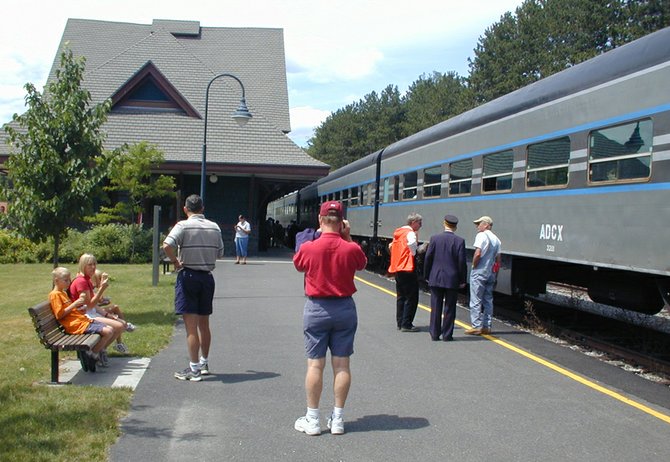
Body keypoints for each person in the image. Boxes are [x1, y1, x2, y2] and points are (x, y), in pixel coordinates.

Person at [293, 201, 367, 436]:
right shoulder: (351, 248)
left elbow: (298, 266)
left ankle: (313, 419)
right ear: (342, 222)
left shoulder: (308, 247)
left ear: (320, 219)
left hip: (316, 309)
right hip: (344, 309)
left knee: (315, 364)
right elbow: (362, 264)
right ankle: (337, 419)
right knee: (342, 365)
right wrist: (347, 237)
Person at [163, 194, 224, 381]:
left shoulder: (182, 225)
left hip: (188, 275)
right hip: (207, 277)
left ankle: (194, 368)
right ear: (202, 209)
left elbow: (167, 245)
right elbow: (220, 253)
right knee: (204, 324)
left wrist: (175, 261)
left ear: (185, 209)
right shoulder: (214, 227)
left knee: (191, 327)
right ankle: (204, 362)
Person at [49, 267, 123, 369]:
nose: (68, 282)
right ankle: (92, 354)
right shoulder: (55, 295)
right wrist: (75, 304)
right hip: (76, 326)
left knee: (111, 329)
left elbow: (69, 311)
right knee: (108, 331)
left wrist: (79, 309)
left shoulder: (62, 293)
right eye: (65, 280)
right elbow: (59, 315)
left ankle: (92, 353)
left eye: (69, 279)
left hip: (82, 321)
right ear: (56, 281)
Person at [69, 253, 130, 364]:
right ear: (83, 265)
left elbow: (94, 304)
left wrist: (107, 315)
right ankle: (93, 353)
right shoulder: (81, 281)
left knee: (121, 325)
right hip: (84, 316)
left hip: (90, 312)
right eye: (89, 265)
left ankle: (100, 350)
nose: (93, 267)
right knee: (119, 326)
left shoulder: (86, 279)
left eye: (94, 264)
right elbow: (90, 306)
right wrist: (102, 288)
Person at [424, 215, 467, 341]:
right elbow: (461, 262)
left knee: (436, 306)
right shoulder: (459, 241)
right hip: (452, 279)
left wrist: (427, 275)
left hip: (435, 277)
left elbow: (428, 258)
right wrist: (463, 280)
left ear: (444, 224)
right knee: (450, 307)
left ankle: (434, 333)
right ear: (456, 227)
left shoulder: (434, 239)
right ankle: (447, 335)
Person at [466, 216, 502, 335]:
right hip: (491, 272)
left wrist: (473, 266)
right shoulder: (497, 239)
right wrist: (496, 273)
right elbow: (498, 259)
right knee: (488, 299)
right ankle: (487, 326)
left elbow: (478, 253)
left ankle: (476, 325)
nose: (477, 226)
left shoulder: (481, 236)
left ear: (486, 225)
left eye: (479, 224)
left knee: (476, 298)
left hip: (480, 271)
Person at [388, 213, 423, 332]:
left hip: (398, 267)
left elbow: (391, 246)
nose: (421, 225)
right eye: (419, 222)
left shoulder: (398, 232)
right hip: (408, 267)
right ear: (413, 222)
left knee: (401, 296)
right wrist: (414, 253)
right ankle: (406, 324)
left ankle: (400, 322)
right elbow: (412, 244)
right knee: (411, 297)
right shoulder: (410, 233)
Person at [90, 268, 137, 353]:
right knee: (114, 312)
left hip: (96, 310)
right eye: (99, 279)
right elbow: (94, 303)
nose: (101, 280)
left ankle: (120, 340)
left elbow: (97, 302)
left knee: (115, 308)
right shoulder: (91, 288)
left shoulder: (93, 288)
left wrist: (104, 301)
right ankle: (124, 328)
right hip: (93, 313)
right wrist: (102, 288)